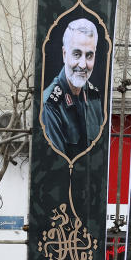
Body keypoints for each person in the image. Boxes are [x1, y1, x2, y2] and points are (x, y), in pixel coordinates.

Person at [41, 17, 103, 159]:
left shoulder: (94, 96)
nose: (82, 64)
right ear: (64, 54)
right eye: (76, 54)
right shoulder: (50, 104)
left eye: (89, 55)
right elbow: (57, 162)